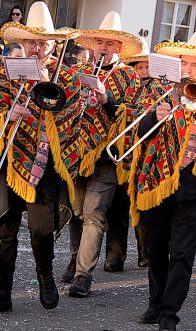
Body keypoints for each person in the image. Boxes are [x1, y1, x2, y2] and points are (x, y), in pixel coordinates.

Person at [129, 28, 196, 331]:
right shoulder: (159, 94)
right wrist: (155, 116)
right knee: (156, 247)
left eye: (195, 65)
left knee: (183, 253)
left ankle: (169, 315)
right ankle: (155, 302)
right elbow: (139, 133)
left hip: (195, 187)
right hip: (159, 180)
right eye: (183, 64)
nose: (188, 70)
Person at [0, 2, 81, 312]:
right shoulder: (6, 72)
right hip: (11, 160)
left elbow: (74, 118)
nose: (35, 48)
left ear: (53, 45)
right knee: (4, 229)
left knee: (41, 229)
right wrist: (8, 113)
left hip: (46, 163)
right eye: (31, 41)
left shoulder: (69, 77)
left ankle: (44, 275)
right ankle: (2, 289)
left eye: (42, 42)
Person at [64, 11, 143, 294]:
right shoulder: (79, 73)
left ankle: (83, 275)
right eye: (99, 42)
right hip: (76, 152)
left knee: (94, 214)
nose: (103, 48)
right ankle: (76, 260)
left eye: (110, 44)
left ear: (119, 48)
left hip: (107, 156)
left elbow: (133, 115)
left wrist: (106, 99)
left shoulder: (130, 76)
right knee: (76, 212)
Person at [102, 38, 152, 271]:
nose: (142, 70)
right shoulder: (122, 83)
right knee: (117, 207)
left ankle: (145, 253)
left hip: (145, 156)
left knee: (141, 207)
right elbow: (113, 109)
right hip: (120, 151)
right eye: (138, 67)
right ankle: (115, 256)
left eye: (146, 66)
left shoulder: (159, 89)